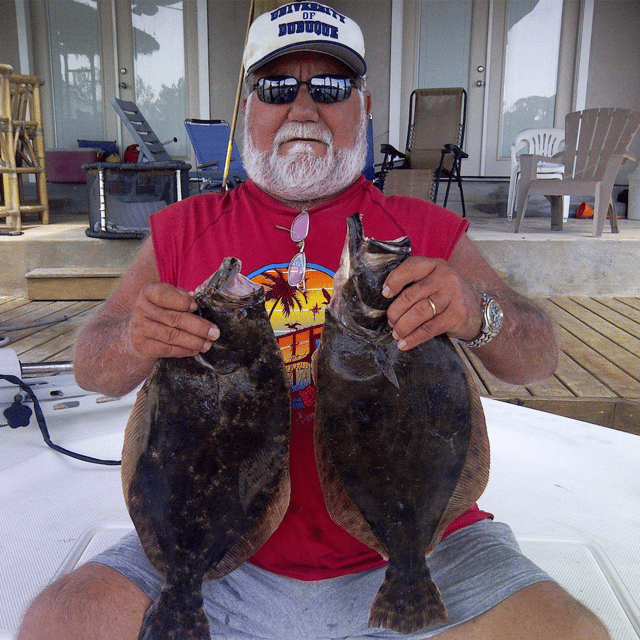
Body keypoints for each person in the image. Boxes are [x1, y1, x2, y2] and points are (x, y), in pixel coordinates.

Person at [18, 4, 609, 639]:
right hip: (215, 550)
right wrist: (134, 338)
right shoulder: (183, 229)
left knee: (571, 632)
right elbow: (93, 365)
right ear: (248, 105)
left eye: (329, 87)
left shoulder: (426, 230)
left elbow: (537, 356)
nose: (303, 108)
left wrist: (479, 312)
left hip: (416, 547)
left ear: (364, 104)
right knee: (59, 622)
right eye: (277, 87)